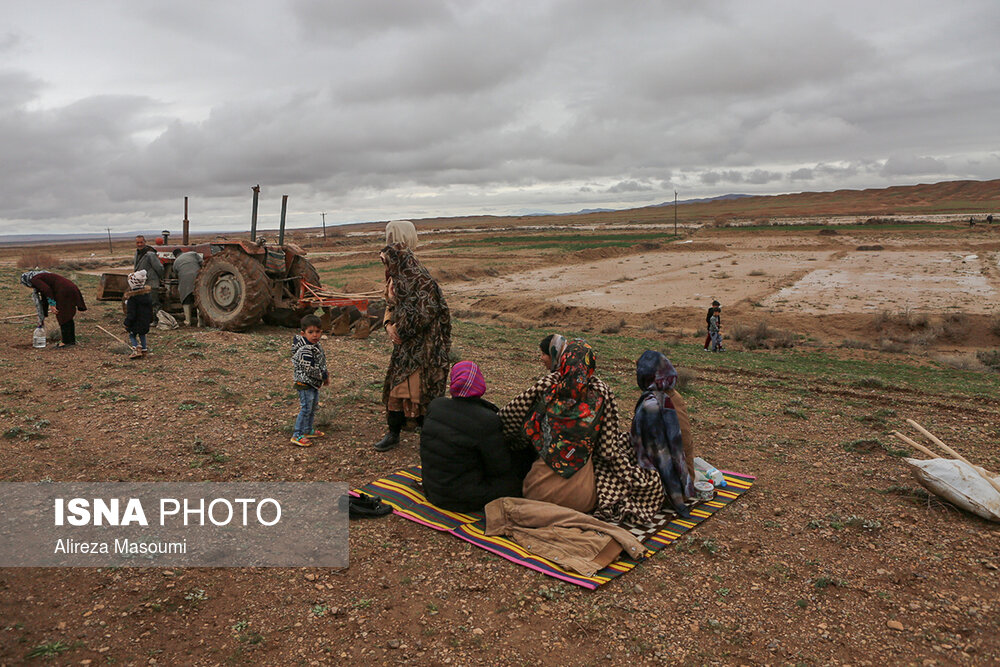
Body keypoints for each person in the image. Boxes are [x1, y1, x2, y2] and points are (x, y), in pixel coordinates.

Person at [499, 339, 666, 523]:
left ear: (563, 361)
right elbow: (607, 451)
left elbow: (509, 416)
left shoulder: (547, 384)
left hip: (536, 491)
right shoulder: (602, 392)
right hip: (583, 499)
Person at [420, 361, 533, 512]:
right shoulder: (486, 420)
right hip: (459, 500)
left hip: (432, 489)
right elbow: (499, 468)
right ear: (480, 383)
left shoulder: (436, 405)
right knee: (519, 478)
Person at [373, 243, 452, 452]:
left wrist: (402, 328)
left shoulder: (422, 281)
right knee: (396, 390)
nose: (384, 265)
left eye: (385, 260)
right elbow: (391, 307)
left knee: (422, 392)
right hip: (404, 347)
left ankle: (429, 438)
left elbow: (425, 313)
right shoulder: (395, 280)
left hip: (425, 347)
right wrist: (389, 325)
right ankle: (393, 433)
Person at [630, 351, 695, 517]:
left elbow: (660, 457)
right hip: (687, 478)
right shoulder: (674, 395)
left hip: (664, 489)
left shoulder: (651, 405)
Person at [20, 270, 88, 348]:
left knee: (63, 316)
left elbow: (47, 290)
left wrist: (52, 305)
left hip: (64, 291)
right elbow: (44, 297)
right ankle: (70, 341)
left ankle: (66, 342)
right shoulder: (41, 277)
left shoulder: (34, 279)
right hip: (69, 288)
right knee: (67, 315)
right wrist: (44, 314)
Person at [290, 314, 329, 447]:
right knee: (306, 408)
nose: (315, 335)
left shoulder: (316, 346)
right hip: (304, 383)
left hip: (313, 383)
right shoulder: (304, 350)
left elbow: (321, 362)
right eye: (310, 332)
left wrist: (325, 374)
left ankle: (307, 430)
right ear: (303, 333)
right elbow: (309, 369)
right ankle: (297, 434)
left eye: (317, 332)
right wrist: (322, 376)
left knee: (312, 407)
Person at [123, 270, 153, 359]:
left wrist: (127, 323)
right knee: (142, 335)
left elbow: (131, 313)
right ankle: (144, 349)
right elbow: (150, 309)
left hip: (135, 322)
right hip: (145, 321)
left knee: (132, 335)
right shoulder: (147, 296)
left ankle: (136, 349)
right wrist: (150, 319)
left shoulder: (132, 298)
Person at [171, 248, 203, 326]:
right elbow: (202, 263)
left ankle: (188, 321)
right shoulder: (193, 254)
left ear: (175, 256)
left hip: (185, 280)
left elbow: (175, 274)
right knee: (199, 299)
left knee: (186, 299)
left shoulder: (176, 262)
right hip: (198, 277)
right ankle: (201, 322)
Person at [135, 245, 164, 316]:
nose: (139, 244)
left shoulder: (150, 255)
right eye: (137, 242)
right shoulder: (137, 255)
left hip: (151, 282)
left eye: (141, 243)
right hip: (144, 283)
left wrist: (161, 277)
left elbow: (159, 268)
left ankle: (156, 319)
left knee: (154, 302)